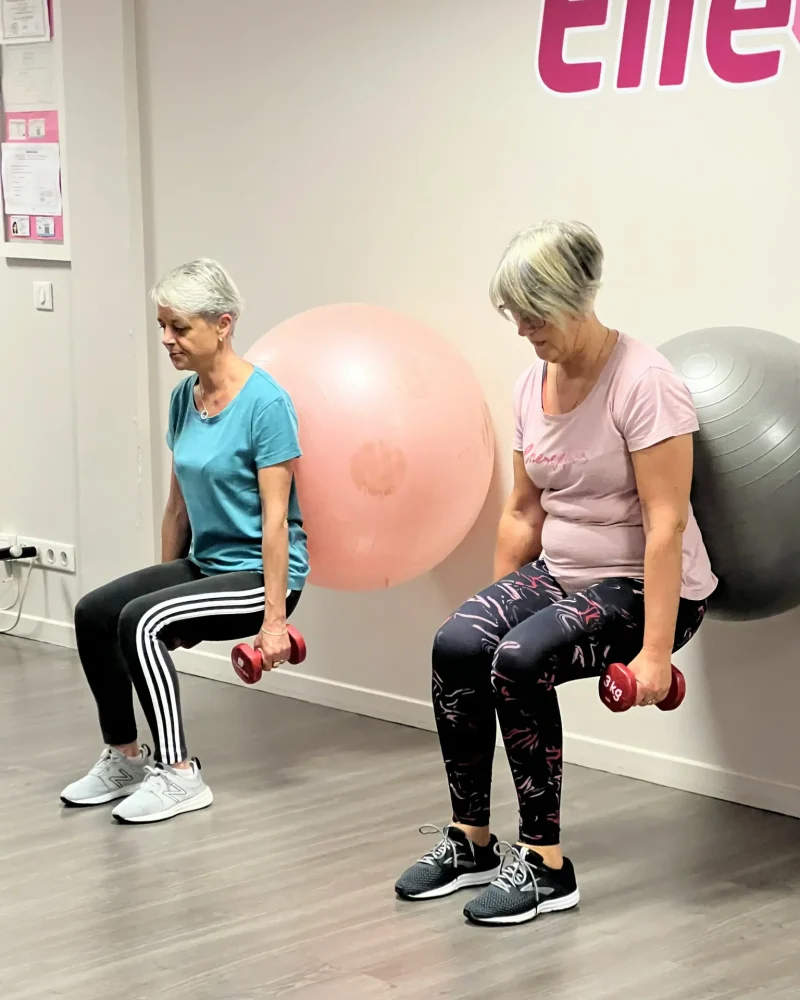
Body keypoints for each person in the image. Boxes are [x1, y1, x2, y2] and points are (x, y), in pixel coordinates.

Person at [395, 221, 717, 925]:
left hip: (645, 586)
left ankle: (546, 866)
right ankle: (471, 840)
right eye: (513, 315)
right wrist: (495, 603)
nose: (521, 330)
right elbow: (520, 510)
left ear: (575, 299)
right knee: (458, 642)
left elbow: (665, 525)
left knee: (520, 658)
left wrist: (656, 654)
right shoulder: (528, 387)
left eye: (531, 314)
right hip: (562, 570)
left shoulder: (645, 382)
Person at [61, 259, 308, 824]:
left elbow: (276, 523)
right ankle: (124, 758)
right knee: (99, 612)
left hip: (261, 575)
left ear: (223, 324)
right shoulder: (184, 398)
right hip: (205, 564)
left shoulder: (267, 405)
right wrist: (161, 587)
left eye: (180, 328)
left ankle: (179, 776)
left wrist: (273, 621)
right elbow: (178, 504)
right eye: (162, 326)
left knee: (138, 622)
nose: (167, 340)